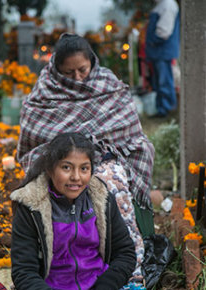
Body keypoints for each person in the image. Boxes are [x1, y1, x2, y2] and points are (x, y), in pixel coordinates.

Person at [7, 132, 156, 290]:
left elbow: (125, 253)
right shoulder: (30, 205)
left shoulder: (101, 198)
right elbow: (23, 273)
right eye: (67, 168)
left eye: (84, 168)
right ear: (51, 168)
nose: (76, 177)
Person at [17, 33, 156, 273]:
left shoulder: (108, 84)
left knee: (108, 184)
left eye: (82, 69)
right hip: (59, 158)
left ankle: (122, 266)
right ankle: (62, 266)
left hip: (104, 156)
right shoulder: (44, 91)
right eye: (68, 73)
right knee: (51, 187)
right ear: (56, 69)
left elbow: (128, 130)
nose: (78, 78)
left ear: (92, 61)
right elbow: (36, 137)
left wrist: (94, 150)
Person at [146, 0, 180, 117]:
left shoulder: (167, 4)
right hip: (158, 52)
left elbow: (164, 31)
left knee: (164, 82)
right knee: (160, 82)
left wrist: (152, 41)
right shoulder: (160, 4)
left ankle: (168, 109)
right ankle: (161, 109)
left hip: (163, 51)